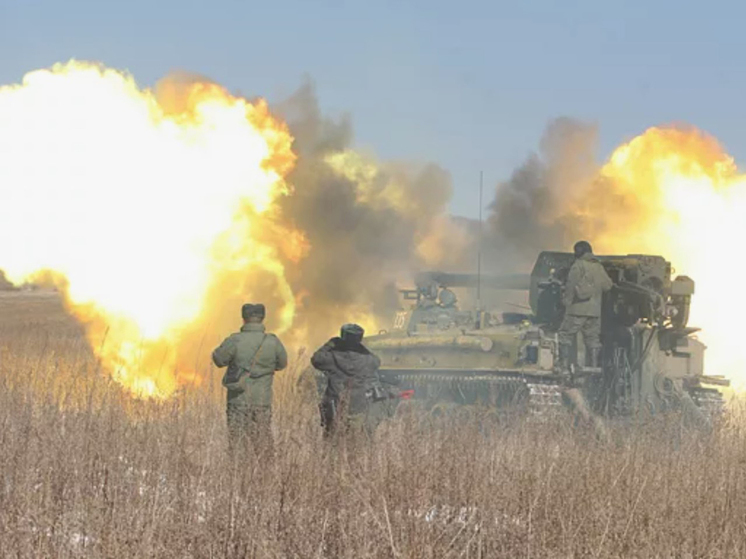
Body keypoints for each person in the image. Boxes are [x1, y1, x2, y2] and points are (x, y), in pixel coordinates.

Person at [212, 303, 287, 452]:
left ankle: (239, 473)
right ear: (262, 318)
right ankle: (265, 472)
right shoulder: (272, 341)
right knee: (263, 442)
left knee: (237, 443)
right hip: (262, 401)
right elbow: (282, 364)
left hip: (238, 401)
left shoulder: (235, 340)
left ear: (243, 318)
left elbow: (218, 360)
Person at [311, 323, 389, 438]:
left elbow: (316, 359)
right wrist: (359, 347)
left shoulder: (332, 358)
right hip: (357, 406)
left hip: (335, 406)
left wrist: (331, 343)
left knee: (332, 443)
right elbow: (376, 361)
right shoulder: (366, 360)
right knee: (355, 441)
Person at [558, 241, 614, 370]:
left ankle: (563, 364)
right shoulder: (598, 267)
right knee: (593, 339)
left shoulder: (578, 265)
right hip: (594, 312)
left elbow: (570, 285)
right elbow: (608, 286)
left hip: (577, 310)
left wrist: (566, 301)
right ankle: (594, 367)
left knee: (565, 335)